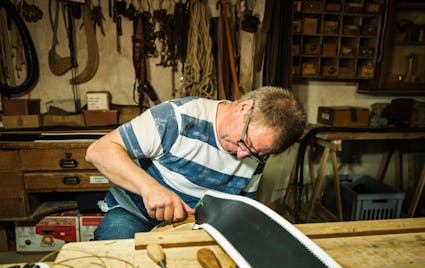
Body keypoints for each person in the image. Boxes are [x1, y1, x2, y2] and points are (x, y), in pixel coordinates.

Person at [85, 86, 306, 240]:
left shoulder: (255, 151)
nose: (241, 155)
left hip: (198, 225)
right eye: (244, 142)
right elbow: (99, 151)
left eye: (254, 153)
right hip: (134, 213)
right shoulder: (177, 118)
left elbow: (238, 209)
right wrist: (150, 188)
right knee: (115, 259)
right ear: (243, 108)